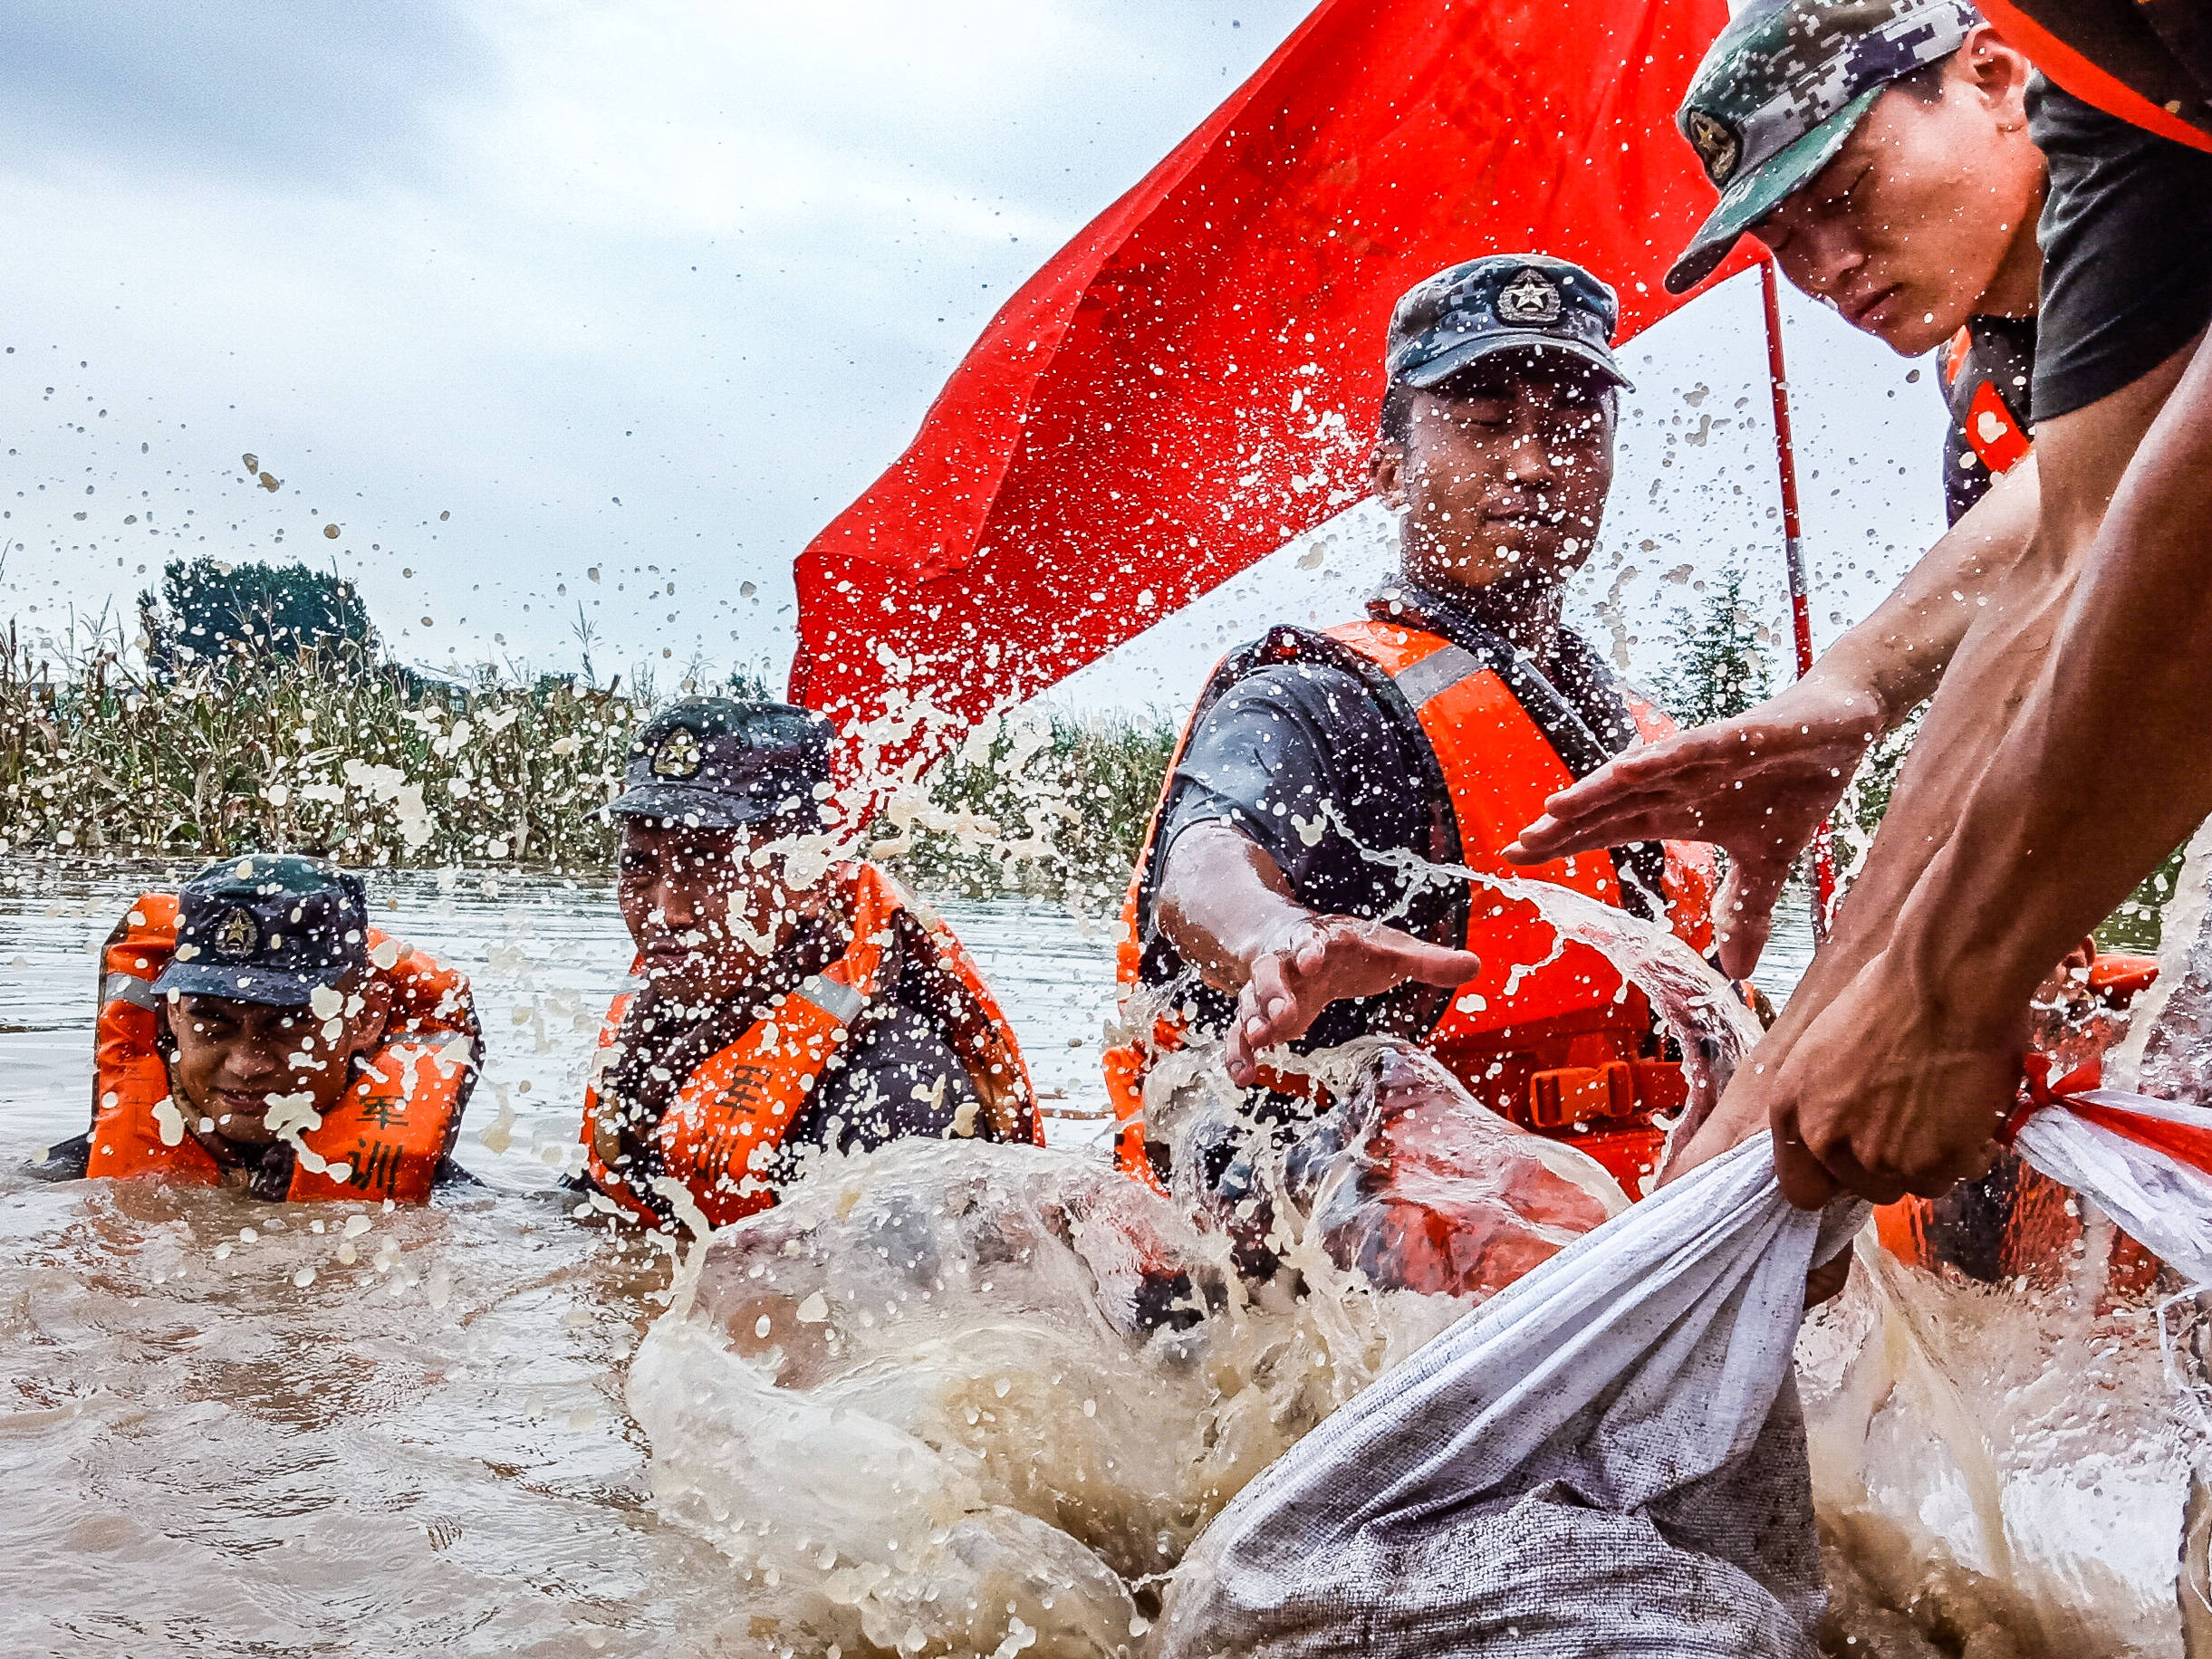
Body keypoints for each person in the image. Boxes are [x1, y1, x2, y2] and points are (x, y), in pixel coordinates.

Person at [1512, 0, 2212, 1209]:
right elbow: (2057, 576)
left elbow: (2146, 543)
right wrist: (1762, 1107)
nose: (1824, 269)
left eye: (1843, 195)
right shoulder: (2108, 168)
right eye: (1782, 240)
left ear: (1995, 76)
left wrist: (1940, 995)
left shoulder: (2135, 105)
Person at [1105, 254, 1719, 1208]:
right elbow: (1204, 859)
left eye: (1569, 430)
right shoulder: (1314, 699)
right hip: (1381, 1238)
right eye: (1483, 426)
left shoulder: (1634, 730)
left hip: (1635, 1216)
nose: (1530, 463)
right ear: (1388, 468)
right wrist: (1276, 938)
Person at [578, 697, 1041, 1230]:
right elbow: (598, 1217)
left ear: (811, 878)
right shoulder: (669, 1018)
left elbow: (917, 1308)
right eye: (640, 867)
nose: (667, 911)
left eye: (709, 868)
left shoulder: (895, 1089)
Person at [38, 854, 481, 1203]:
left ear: (365, 1017)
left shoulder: (439, 1200)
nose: (247, 1065)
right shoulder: (61, 1183)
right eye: (213, 1023)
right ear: (172, 1011)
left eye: (287, 1025)